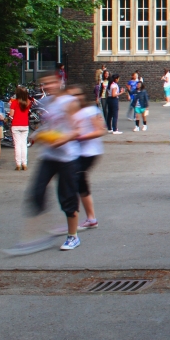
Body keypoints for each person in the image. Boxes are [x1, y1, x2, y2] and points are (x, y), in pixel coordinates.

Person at [15, 71, 82, 253]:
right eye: (44, 85)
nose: (47, 87)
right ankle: (36, 235)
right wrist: (37, 134)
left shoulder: (69, 103)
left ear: (59, 82)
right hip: (49, 156)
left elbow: (77, 130)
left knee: (67, 198)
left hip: (67, 156)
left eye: (51, 83)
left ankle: (73, 236)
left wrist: (63, 139)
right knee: (36, 192)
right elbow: (49, 126)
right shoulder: (45, 103)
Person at [72, 86, 105, 231]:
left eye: (77, 94)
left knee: (75, 181)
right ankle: (91, 218)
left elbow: (100, 130)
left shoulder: (90, 111)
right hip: (77, 153)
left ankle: (76, 218)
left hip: (90, 152)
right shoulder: (73, 113)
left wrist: (80, 136)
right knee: (80, 184)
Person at [8, 86, 32, 170]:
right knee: (24, 144)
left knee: (17, 145)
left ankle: (18, 164)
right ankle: (24, 163)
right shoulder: (28, 102)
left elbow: (11, 114)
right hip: (25, 125)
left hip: (16, 125)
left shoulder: (14, 102)